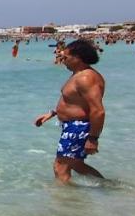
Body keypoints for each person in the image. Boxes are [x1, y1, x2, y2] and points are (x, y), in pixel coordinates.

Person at [33, 39, 106, 184]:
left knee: (60, 166)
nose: (62, 60)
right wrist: (53, 113)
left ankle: (65, 202)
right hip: (74, 126)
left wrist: (93, 139)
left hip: (78, 127)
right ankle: (108, 187)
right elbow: (74, 101)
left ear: (77, 58)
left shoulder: (86, 78)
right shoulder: (78, 75)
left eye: (65, 58)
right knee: (76, 164)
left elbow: (98, 111)